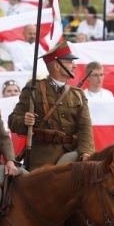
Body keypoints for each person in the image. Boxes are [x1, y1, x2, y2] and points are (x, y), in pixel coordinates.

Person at [8, 40, 94, 170]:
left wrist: (86, 152)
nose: (74, 66)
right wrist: (24, 120)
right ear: (57, 66)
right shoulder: (33, 89)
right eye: (70, 62)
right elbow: (13, 121)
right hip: (42, 159)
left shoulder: (78, 94)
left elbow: (85, 127)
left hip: (71, 156)